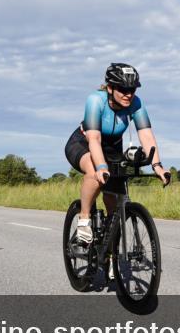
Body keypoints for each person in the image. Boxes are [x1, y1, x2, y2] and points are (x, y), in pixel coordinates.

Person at [64, 63, 170, 246]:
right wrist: (102, 167)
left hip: (113, 148)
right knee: (94, 171)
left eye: (132, 89)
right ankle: (84, 219)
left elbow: (146, 135)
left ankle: (109, 248)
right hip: (83, 142)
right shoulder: (96, 100)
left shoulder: (135, 103)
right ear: (110, 88)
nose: (128, 94)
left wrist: (157, 166)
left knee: (114, 202)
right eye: (123, 89)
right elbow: (94, 139)